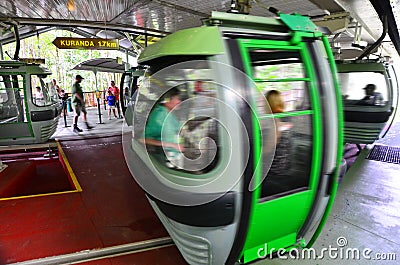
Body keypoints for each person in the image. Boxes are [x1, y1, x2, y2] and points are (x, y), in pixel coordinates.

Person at [142, 87, 184, 168]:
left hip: (177, 154)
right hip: (168, 158)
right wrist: (172, 145)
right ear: (167, 100)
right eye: (177, 99)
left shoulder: (170, 112)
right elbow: (143, 139)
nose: (180, 101)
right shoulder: (159, 115)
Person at [265, 90, 291, 175]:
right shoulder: (286, 116)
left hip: (274, 167)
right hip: (286, 163)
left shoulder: (274, 118)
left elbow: (270, 146)